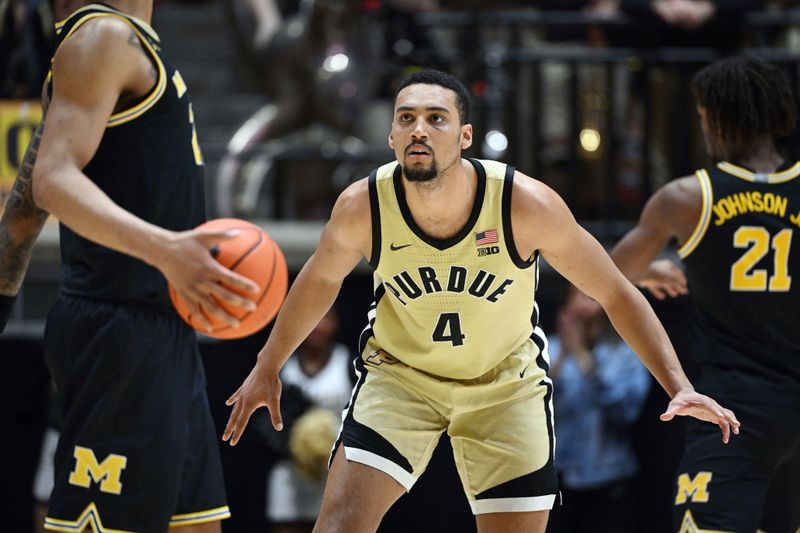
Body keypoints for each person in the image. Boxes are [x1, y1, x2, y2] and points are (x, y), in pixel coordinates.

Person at [222, 69, 739, 533]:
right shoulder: (362, 205)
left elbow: (615, 291)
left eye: (436, 118)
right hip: (401, 379)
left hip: (504, 386)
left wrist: (679, 385)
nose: (419, 129)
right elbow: (317, 281)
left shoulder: (523, 204)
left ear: (465, 136)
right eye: (407, 118)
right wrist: (268, 364)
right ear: (392, 135)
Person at [0, 1, 260, 531]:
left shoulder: (120, 43)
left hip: (160, 332)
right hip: (119, 333)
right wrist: (168, 250)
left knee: (196, 525)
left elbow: (21, 219)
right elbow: (51, 180)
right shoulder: (101, 37)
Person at [610, 55, 800, 532]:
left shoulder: (687, 197)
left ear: (715, 114)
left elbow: (609, 276)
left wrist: (649, 269)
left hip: (734, 411)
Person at [546, 284, 650, 533]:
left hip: (608, 476)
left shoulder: (624, 354)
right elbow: (532, 409)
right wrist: (563, 356)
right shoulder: (546, 349)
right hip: (555, 477)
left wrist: (583, 358)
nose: (583, 305)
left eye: (591, 297)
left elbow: (626, 412)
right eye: (578, 296)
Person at [267, 308, 353, 533]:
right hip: (291, 468)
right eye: (313, 318)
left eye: (326, 318)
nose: (319, 326)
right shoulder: (282, 364)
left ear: (336, 323)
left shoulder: (348, 362)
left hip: (334, 469)